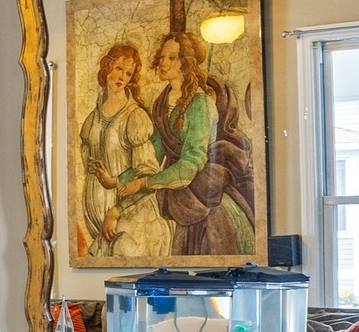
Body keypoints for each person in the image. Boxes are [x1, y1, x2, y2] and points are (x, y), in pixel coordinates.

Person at [120, 21, 255, 258]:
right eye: (162, 57)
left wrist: (142, 184)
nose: (163, 62)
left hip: (199, 188)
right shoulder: (161, 103)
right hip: (171, 182)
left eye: (172, 58)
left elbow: (190, 165)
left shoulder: (201, 104)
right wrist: (118, 180)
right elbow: (154, 155)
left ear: (186, 63)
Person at [76, 42, 165, 261]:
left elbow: (147, 176)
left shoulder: (135, 117)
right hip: (100, 225)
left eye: (128, 73)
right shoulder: (92, 120)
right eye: (118, 69)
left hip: (132, 223)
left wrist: (116, 210)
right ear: (107, 67)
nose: (122, 77)